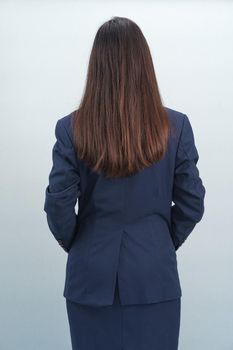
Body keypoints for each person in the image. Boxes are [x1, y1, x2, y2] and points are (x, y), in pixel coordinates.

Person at [44, 16, 206, 350]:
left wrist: (81, 243)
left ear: (96, 67)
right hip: (154, 276)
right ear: (144, 65)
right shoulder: (175, 127)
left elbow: (58, 204)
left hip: (89, 276)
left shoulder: (70, 129)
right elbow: (192, 203)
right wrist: (158, 240)